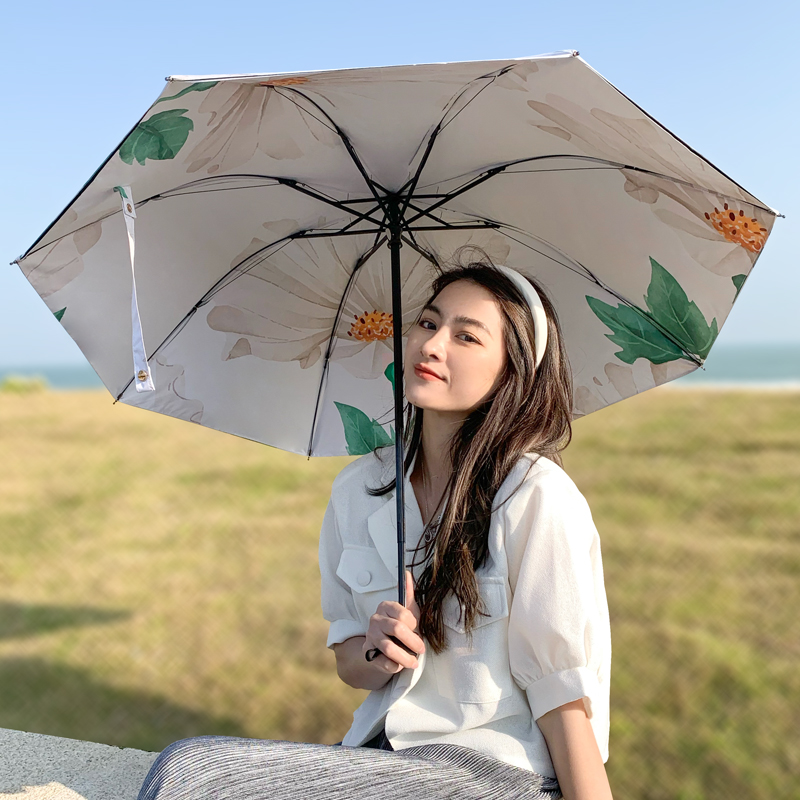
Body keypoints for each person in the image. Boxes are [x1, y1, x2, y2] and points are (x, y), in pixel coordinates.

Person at [136, 251, 613, 800]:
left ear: (515, 369)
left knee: (194, 777)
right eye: (429, 323)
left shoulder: (536, 495)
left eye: (467, 336)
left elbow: (564, 698)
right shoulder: (359, 490)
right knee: (186, 768)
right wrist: (377, 649)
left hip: (497, 773)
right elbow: (348, 661)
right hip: (381, 760)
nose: (432, 345)